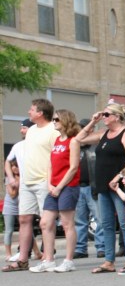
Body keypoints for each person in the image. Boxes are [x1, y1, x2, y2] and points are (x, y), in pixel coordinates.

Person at [75, 103, 125, 274]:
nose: (104, 117)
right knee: (106, 224)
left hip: (118, 185)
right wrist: (92, 121)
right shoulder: (104, 133)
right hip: (103, 186)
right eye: (103, 114)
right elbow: (79, 139)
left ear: (117, 116)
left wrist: (118, 177)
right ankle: (109, 261)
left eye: (107, 114)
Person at [2, 100, 59, 272]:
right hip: (27, 182)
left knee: (46, 222)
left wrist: (52, 181)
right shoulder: (32, 130)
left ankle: (48, 259)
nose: (29, 112)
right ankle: (22, 260)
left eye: (32, 109)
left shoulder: (53, 130)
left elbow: (56, 156)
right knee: (24, 219)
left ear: (41, 113)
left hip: (43, 180)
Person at [30, 109, 81, 273]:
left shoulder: (73, 141)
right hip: (54, 187)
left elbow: (73, 168)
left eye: (57, 119)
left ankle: (68, 260)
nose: (54, 122)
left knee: (67, 223)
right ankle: (49, 259)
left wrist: (59, 186)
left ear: (65, 120)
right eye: (53, 119)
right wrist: (50, 184)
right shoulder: (58, 140)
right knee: (45, 222)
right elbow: (50, 164)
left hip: (68, 186)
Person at [74, 118, 103, 259]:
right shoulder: (76, 146)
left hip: (93, 187)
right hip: (78, 187)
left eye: (84, 128)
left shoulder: (96, 146)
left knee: (99, 219)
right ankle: (80, 248)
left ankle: (101, 247)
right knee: (79, 220)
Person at [3, 158, 20, 261]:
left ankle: (36, 252)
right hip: (10, 207)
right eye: (12, 166)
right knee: (9, 230)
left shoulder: (24, 177)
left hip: (21, 206)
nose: (14, 168)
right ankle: (8, 254)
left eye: (16, 165)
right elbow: (12, 194)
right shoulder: (8, 178)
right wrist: (17, 183)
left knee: (27, 229)